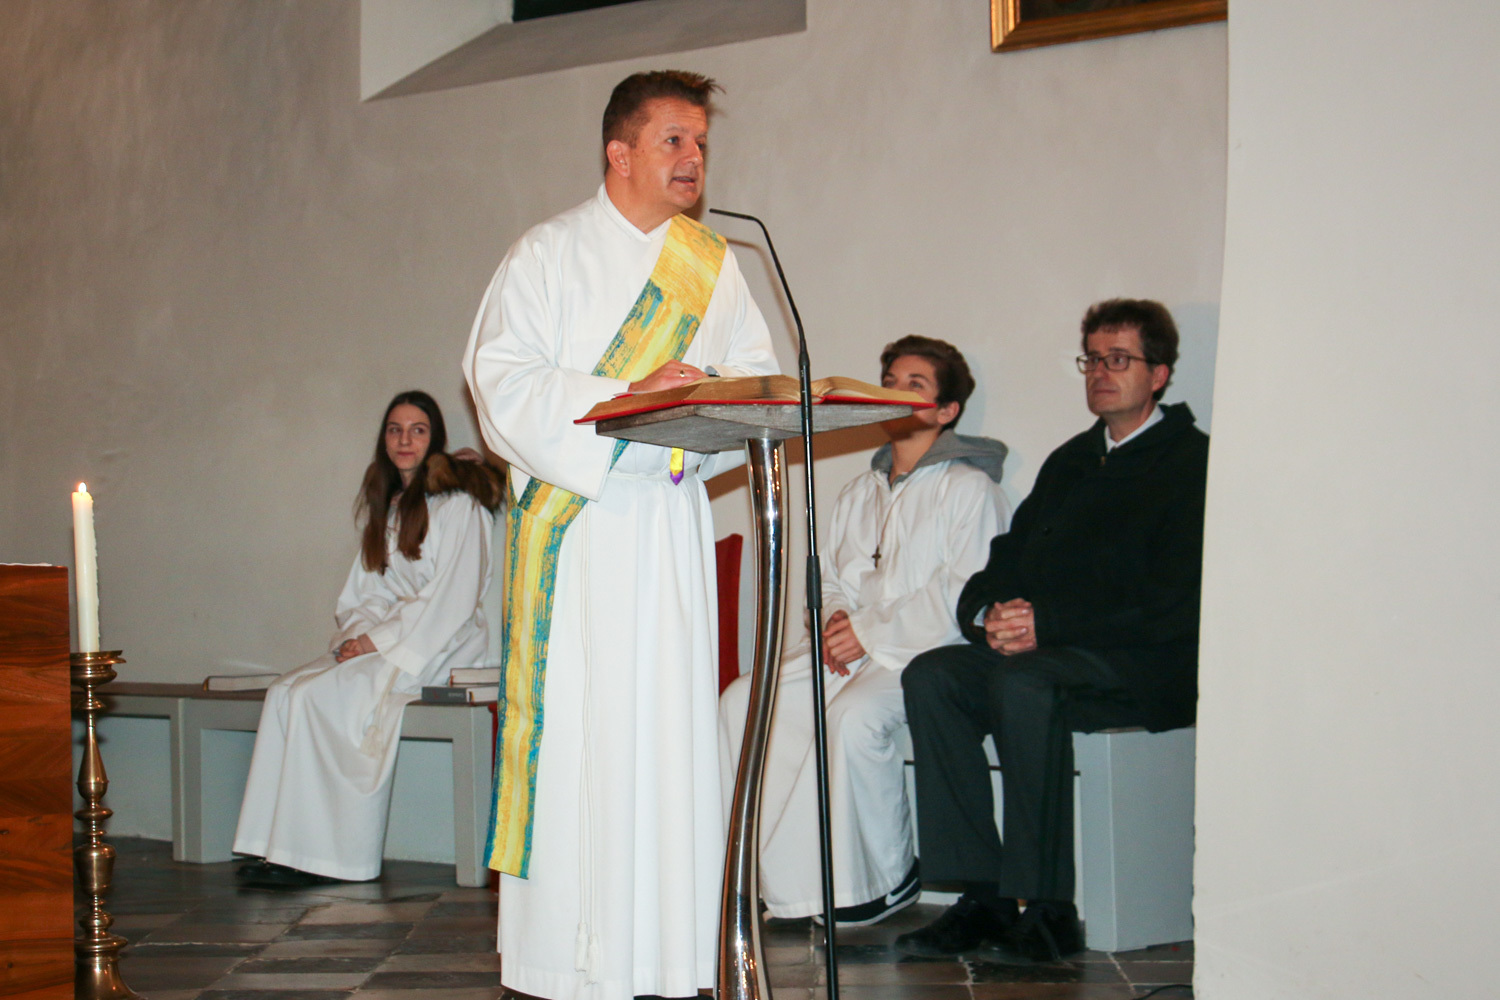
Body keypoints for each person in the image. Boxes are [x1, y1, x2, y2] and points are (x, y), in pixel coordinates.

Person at [461, 70, 778, 1000]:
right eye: (674, 140)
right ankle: (569, 964)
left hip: (669, 526)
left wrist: (694, 407)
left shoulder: (713, 265)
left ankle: (669, 959)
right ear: (620, 152)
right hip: (580, 533)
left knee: (668, 739)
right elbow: (501, 380)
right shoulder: (547, 253)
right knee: (581, 744)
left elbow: (755, 384)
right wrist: (626, 400)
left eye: (701, 143)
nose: (693, 158)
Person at [896, 299, 1209, 963]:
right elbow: (1005, 561)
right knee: (934, 675)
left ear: (1159, 374)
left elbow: (1173, 600)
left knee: (1025, 682)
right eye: (1092, 359)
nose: (1100, 372)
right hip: (1052, 655)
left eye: (1118, 359)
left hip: (1143, 665)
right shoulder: (1072, 460)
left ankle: (1046, 911)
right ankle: (981, 897)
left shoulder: (1193, 462)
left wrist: (1049, 626)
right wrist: (988, 616)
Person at [719, 336, 1009, 927]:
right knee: (744, 700)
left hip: (927, 655)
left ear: (947, 410)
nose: (894, 394)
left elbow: (963, 593)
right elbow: (829, 579)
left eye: (914, 385)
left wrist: (868, 632)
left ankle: (886, 877)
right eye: (889, 382)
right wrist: (834, 622)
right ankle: (777, 881)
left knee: (853, 718)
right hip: (854, 648)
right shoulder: (860, 491)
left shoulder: (970, 489)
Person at [233, 390, 503, 887]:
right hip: (389, 638)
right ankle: (277, 845)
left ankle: (327, 856)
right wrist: (358, 636)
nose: (405, 440)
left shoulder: (460, 506)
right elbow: (366, 593)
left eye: (417, 430)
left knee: (322, 697)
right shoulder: (390, 508)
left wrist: (376, 642)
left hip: (439, 642)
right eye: (395, 430)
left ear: (435, 440)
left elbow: (452, 597)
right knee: (285, 693)